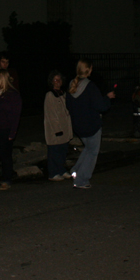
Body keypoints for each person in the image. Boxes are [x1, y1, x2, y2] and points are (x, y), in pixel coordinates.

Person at [65, 59, 114, 189]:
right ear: (89, 70)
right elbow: (101, 106)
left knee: (88, 148)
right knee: (92, 152)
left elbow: (68, 105)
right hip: (91, 126)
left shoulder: (71, 85)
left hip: (78, 126)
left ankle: (75, 171)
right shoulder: (90, 86)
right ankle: (81, 180)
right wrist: (108, 98)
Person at [0, 69, 22, 190]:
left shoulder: (12, 95)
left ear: (1, 78)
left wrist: (13, 132)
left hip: (4, 128)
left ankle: (6, 179)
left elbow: (16, 114)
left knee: (5, 155)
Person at [43, 70, 72, 181]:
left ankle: (61, 170)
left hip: (65, 127)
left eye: (59, 79)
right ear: (52, 81)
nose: (58, 82)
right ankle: (53, 172)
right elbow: (51, 114)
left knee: (63, 150)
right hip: (55, 130)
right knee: (54, 151)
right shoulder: (50, 95)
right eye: (55, 80)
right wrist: (57, 129)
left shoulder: (63, 94)